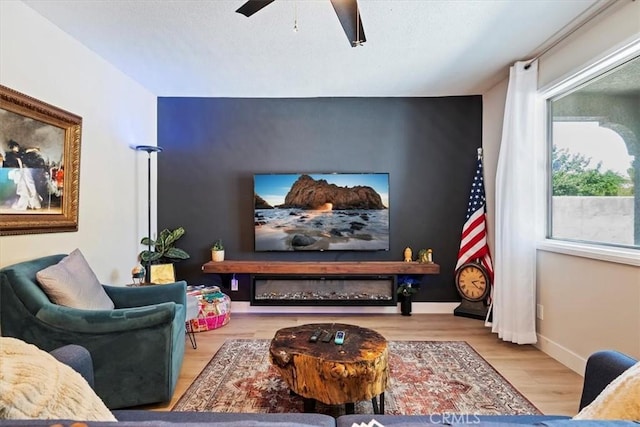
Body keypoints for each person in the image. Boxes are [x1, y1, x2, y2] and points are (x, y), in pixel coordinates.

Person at [3, 140, 42, 210]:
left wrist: (35, 149)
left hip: (24, 170)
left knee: (30, 186)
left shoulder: (21, 152)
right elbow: (19, 162)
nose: (17, 148)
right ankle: (28, 204)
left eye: (17, 146)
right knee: (25, 188)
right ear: (13, 148)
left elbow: (27, 150)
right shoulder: (12, 155)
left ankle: (32, 204)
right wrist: (21, 170)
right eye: (16, 147)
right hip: (21, 171)